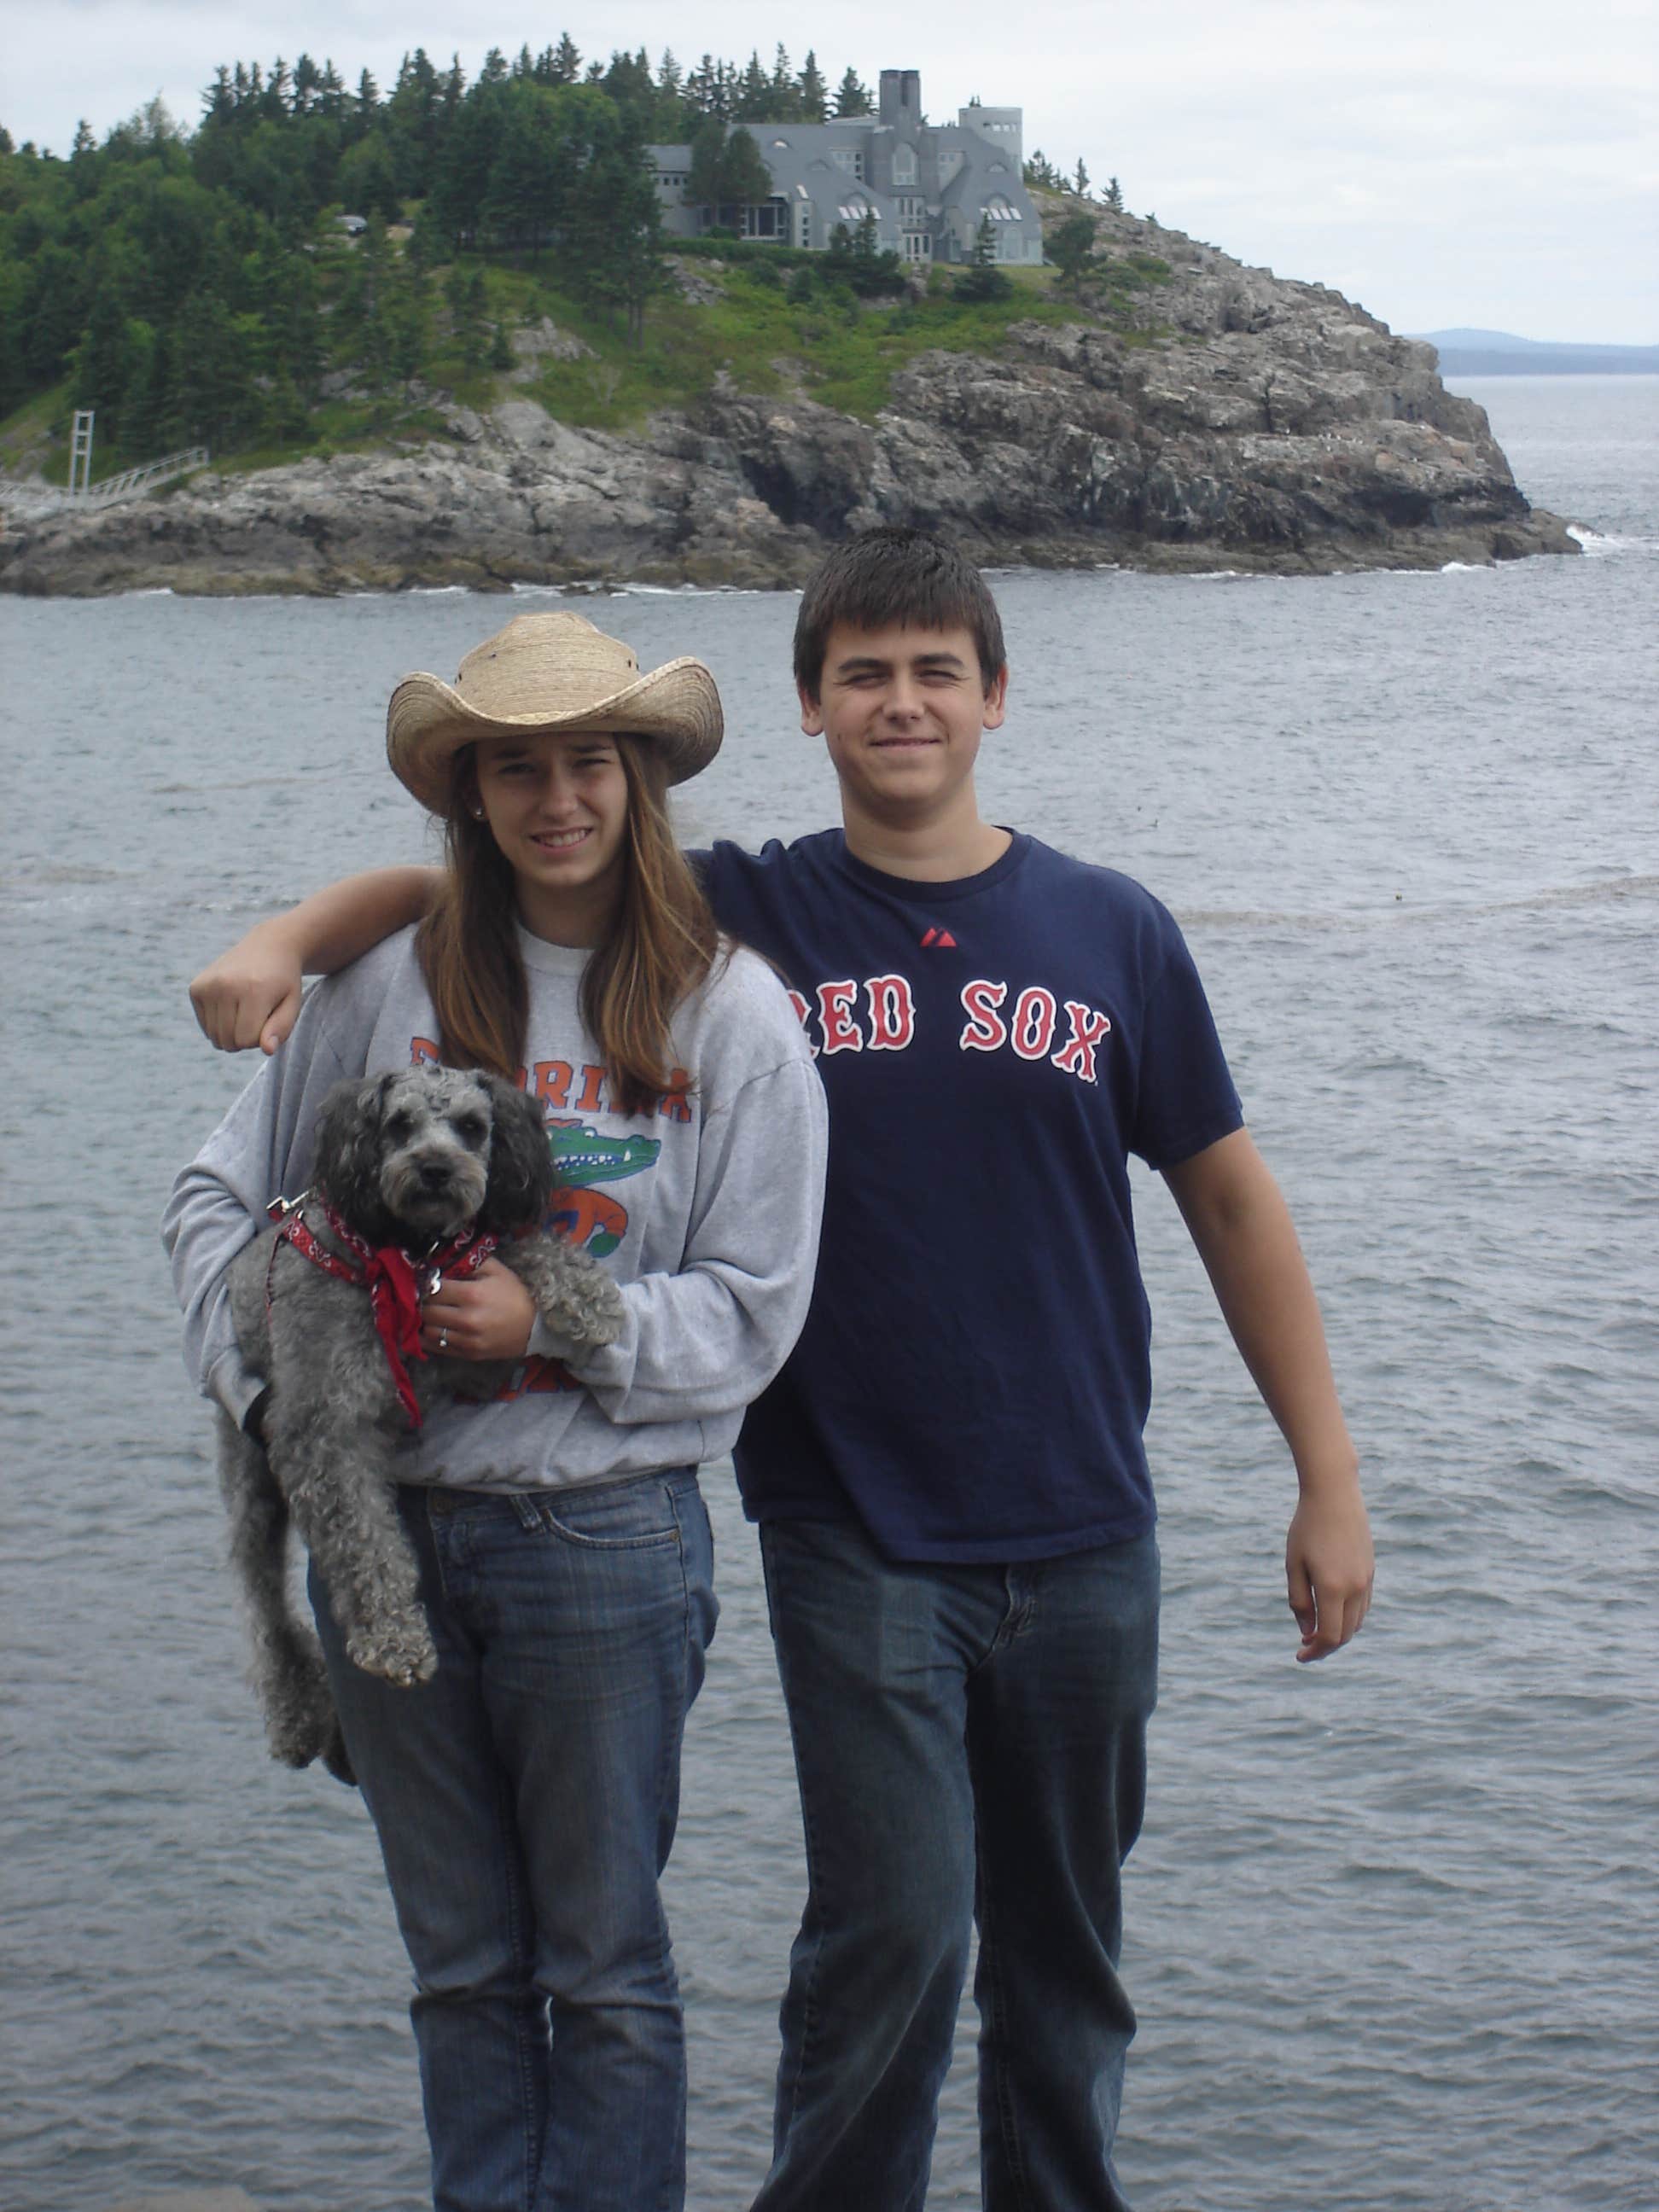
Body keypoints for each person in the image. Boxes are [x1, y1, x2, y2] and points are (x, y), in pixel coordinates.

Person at [189, 530, 1374, 2212]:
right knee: (888, 1943)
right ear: (809, 706)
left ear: (996, 697)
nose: (902, 704)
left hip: (1090, 1520)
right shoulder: (752, 911)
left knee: (1065, 1962)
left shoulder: (1114, 931)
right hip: (852, 1525)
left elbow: (1234, 1200)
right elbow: (484, 886)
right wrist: (293, 937)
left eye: (935, 671)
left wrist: (1329, 1480)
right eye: (864, 674)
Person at [165, 610, 828, 2212]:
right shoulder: (378, 985)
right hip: (386, 1540)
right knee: (458, 1969)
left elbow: (758, 1308)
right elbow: (210, 1198)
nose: (556, 798)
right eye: (513, 767)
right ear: (467, 795)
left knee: (602, 1972)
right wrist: (272, 1373)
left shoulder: (728, 1016)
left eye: (588, 761)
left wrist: (559, 1326)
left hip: (602, 1543)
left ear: (640, 779)